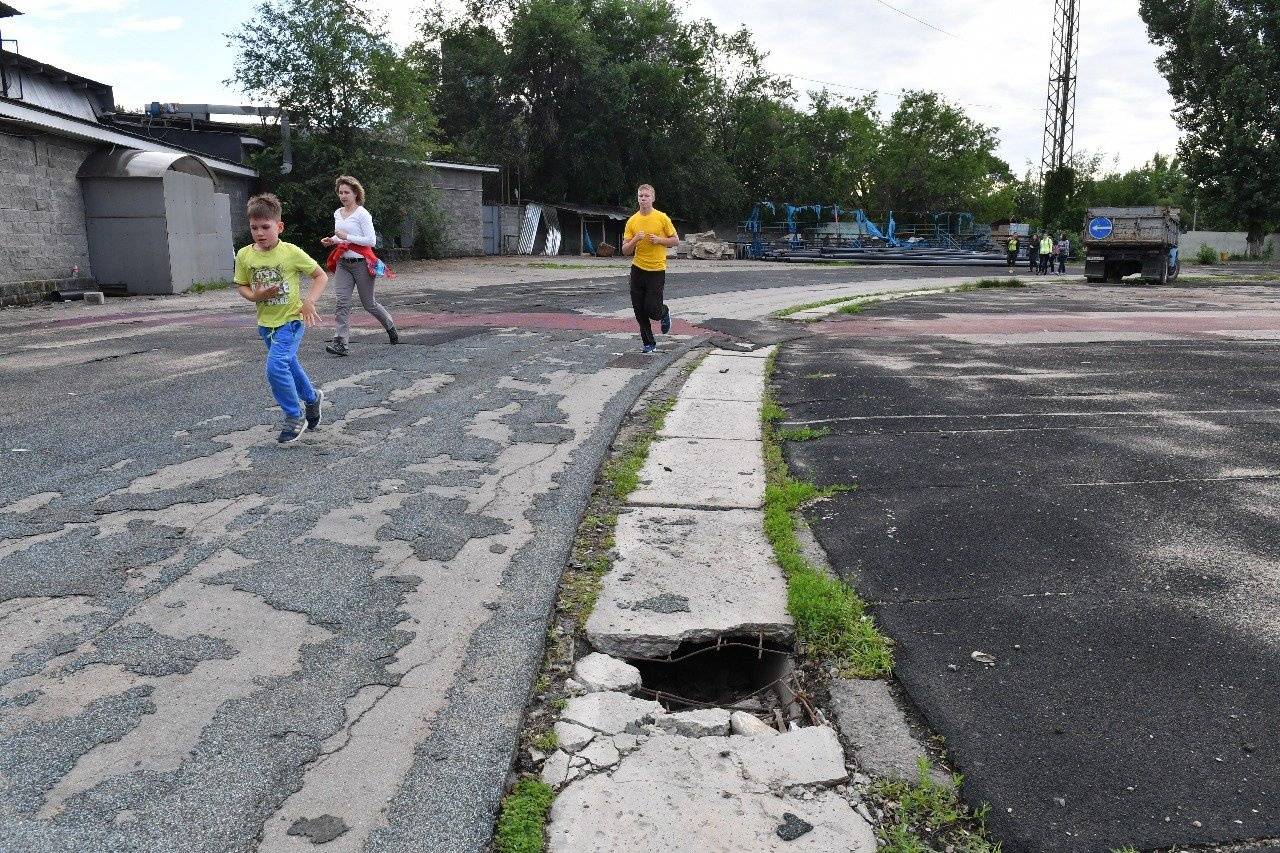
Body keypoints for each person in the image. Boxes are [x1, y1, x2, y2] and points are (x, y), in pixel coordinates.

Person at [234, 193, 328, 444]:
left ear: (279, 226)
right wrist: (255, 296)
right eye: (254, 228)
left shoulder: (290, 252)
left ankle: (294, 415)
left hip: (291, 320)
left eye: (266, 227)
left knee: (276, 367)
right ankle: (312, 398)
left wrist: (309, 302)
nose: (260, 233)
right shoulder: (245, 255)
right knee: (289, 365)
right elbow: (242, 285)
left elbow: (321, 276)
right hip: (266, 324)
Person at [322, 176, 397, 356]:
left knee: (369, 303)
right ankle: (341, 342)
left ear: (355, 193)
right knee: (342, 302)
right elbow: (340, 237)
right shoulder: (337, 213)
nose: (343, 196)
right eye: (340, 192)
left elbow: (371, 241)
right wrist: (332, 240)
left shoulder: (362, 214)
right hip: (344, 264)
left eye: (347, 192)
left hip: (362, 264)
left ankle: (390, 325)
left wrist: (346, 237)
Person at [622, 184, 680, 353]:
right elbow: (625, 250)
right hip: (638, 269)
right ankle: (649, 343)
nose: (643, 199)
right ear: (637, 198)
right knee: (639, 310)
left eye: (647, 196)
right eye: (641, 196)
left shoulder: (662, 218)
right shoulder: (632, 221)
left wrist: (659, 240)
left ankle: (663, 312)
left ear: (653, 198)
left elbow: (675, 240)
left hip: (656, 270)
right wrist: (635, 240)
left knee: (652, 310)